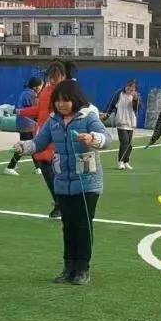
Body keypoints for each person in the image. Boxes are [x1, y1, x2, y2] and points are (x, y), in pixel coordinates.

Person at [15, 81, 112, 285]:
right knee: (68, 227)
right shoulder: (53, 121)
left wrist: (92, 138)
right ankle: (68, 267)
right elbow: (39, 143)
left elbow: (107, 138)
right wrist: (24, 147)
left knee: (82, 226)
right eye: (58, 100)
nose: (61, 104)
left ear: (75, 100)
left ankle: (82, 269)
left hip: (87, 184)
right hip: (63, 183)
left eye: (65, 100)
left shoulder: (88, 117)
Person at [19, 61, 68, 218]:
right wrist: (22, 112)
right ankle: (60, 202)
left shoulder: (65, 92)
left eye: (56, 77)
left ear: (63, 76)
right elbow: (40, 111)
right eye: (51, 77)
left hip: (58, 136)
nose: (53, 80)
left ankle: (62, 203)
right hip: (43, 135)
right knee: (48, 169)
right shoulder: (46, 91)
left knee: (56, 170)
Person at [4, 77, 44, 176]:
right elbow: (34, 110)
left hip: (24, 123)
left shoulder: (25, 93)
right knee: (24, 146)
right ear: (35, 87)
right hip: (27, 124)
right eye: (40, 86)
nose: (41, 88)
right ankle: (10, 167)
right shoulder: (31, 95)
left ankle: (38, 167)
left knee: (32, 145)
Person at [105, 79, 140, 170]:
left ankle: (126, 161)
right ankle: (120, 161)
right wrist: (106, 114)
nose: (130, 88)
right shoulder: (119, 93)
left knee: (130, 143)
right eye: (129, 86)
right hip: (121, 122)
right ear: (126, 85)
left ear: (135, 89)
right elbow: (111, 104)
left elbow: (138, 108)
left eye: (133, 87)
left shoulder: (136, 96)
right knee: (124, 142)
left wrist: (136, 100)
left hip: (131, 123)